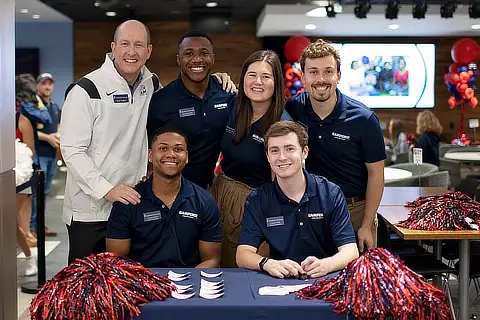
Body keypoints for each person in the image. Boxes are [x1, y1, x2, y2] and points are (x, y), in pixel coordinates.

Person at [60, 20, 160, 264]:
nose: (131, 51)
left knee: (125, 285)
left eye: (139, 45)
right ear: (113, 48)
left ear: (149, 51)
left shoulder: (152, 84)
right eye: (125, 44)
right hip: (90, 212)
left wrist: (217, 78)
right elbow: (72, 150)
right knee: (86, 288)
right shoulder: (86, 90)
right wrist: (107, 189)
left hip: (131, 206)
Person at [285, 39, 386, 252]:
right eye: (313, 72)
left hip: (355, 213)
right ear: (302, 76)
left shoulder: (363, 119)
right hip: (309, 212)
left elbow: (376, 175)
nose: (321, 79)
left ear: (338, 75)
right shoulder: (294, 108)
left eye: (328, 71)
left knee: (357, 283)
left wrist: (367, 224)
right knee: (313, 280)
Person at [236, 121, 359, 278]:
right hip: (280, 281)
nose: (282, 157)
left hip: (327, 278)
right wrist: (268, 263)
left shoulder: (330, 193)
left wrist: (326, 265)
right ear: (267, 157)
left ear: (305, 152)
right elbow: (242, 254)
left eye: (289, 149)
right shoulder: (258, 199)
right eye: (274, 151)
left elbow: (350, 250)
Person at [209, 50, 291, 267]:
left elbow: (283, 185)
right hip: (221, 193)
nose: (258, 82)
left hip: (255, 203)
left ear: (277, 83)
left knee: (243, 272)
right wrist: (217, 78)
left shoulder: (281, 125)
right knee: (218, 266)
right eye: (251, 75)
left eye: (266, 76)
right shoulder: (234, 105)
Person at [106, 126, 221, 268]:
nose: (171, 154)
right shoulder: (128, 201)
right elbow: (115, 261)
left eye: (178, 149)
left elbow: (211, 260)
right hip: (141, 283)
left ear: (186, 157)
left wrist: (187, 283)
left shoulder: (204, 201)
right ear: (150, 155)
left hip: (187, 284)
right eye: (162, 149)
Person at [147, 30, 237, 189]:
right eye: (189, 53)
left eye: (204, 53)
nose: (197, 59)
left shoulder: (227, 95)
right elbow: (148, 151)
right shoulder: (160, 101)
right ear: (179, 60)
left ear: (213, 59)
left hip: (210, 190)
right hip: (171, 191)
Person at [16, 73, 52, 246]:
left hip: (24, 159)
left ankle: (28, 231)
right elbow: (45, 118)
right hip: (23, 160)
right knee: (26, 198)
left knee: (29, 197)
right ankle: (26, 232)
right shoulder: (25, 107)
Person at [31, 73, 61, 238]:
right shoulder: (33, 106)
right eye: (44, 84)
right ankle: (33, 227)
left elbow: (58, 125)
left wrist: (58, 134)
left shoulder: (54, 106)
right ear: (37, 86)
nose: (47, 87)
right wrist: (47, 137)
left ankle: (40, 225)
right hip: (38, 155)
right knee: (36, 192)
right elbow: (29, 129)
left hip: (51, 155)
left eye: (50, 83)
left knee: (46, 191)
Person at [15, 111, 38, 276]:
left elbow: (30, 152)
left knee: (7, 220)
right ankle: (29, 256)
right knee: (12, 225)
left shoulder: (22, 122)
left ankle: (30, 258)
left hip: (19, 178)